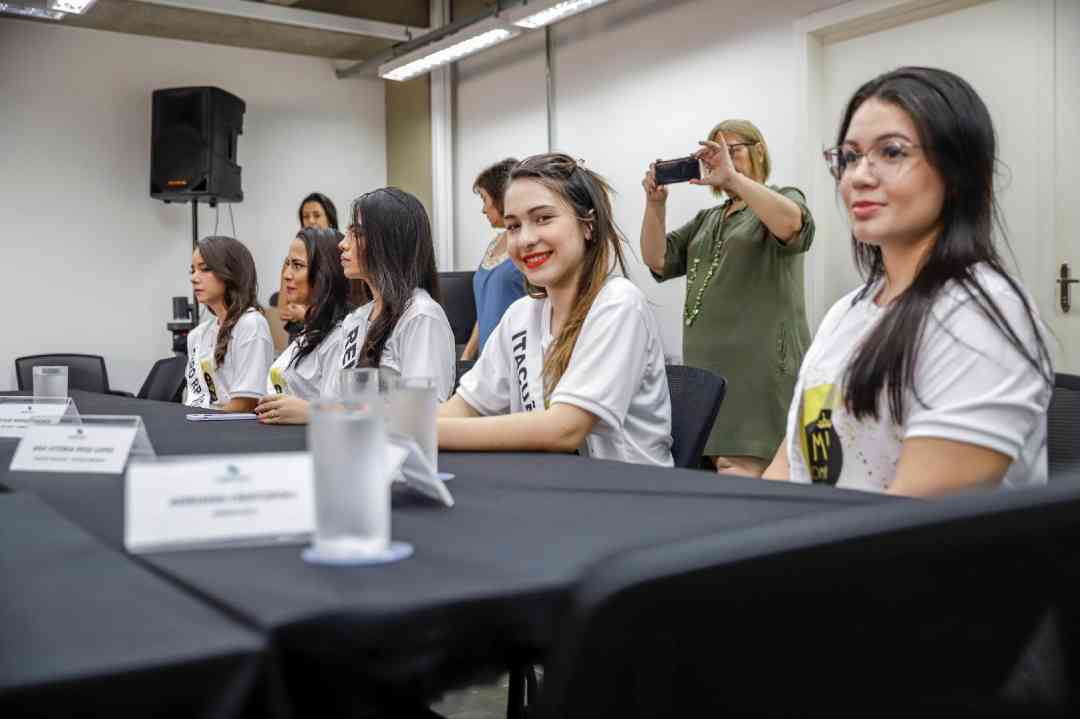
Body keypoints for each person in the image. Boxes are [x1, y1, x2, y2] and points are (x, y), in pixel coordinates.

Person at [761, 66, 1053, 496]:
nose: (859, 175)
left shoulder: (980, 313)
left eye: (892, 152)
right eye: (850, 156)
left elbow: (910, 532)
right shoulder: (848, 312)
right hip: (816, 549)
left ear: (956, 173)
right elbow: (791, 467)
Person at [439, 154, 673, 466]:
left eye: (543, 219)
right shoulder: (522, 315)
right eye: (513, 226)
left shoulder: (618, 303)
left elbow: (563, 430)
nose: (526, 239)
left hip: (625, 499)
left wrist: (423, 432)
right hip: (549, 490)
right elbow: (465, 406)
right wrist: (393, 426)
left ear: (587, 226)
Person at [641, 120, 814, 477]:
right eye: (714, 155)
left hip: (759, 369)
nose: (724, 161)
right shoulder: (709, 219)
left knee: (745, 471)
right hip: (708, 374)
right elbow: (657, 258)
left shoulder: (783, 197)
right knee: (712, 474)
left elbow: (793, 225)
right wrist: (655, 204)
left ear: (759, 151)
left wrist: (733, 178)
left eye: (732, 151)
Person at [329, 187, 456, 401]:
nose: (342, 244)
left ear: (389, 242)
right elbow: (335, 400)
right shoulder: (355, 320)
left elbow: (423, 414)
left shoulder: (420, 316)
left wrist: (309, 413)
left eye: (357, 234)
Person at [253, 227, 353, 424]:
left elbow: (338, 413)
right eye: (287, 264)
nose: (286, 275)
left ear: (324, 273)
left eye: (297, 265)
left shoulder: (340, 336)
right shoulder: (310, 330)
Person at [184, 236, 273, 412]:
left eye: (205, 269)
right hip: (199, 426)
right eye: (192, 270)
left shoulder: (251, 324)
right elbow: (194, 401)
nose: (194, 278)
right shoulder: (197, 334)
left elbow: (245, 403)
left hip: (231, 432)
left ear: (230, 272)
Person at [461, 158, 526, 360]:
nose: (483, 209)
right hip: (487, 363)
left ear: (500, 199)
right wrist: (466, 357)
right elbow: (484, 312)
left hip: (516, 360)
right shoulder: (494, 245)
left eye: (484, 199)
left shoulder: (527, 246)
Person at [275, 192, 342, 339]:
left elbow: (345, 307)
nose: (311, 221)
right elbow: (282, 310)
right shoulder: (291, 259)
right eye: (306, 216)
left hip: (331, 334)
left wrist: (305, 313)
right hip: (299, 334)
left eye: (317, 215)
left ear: (330, 219)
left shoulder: (343, 257)